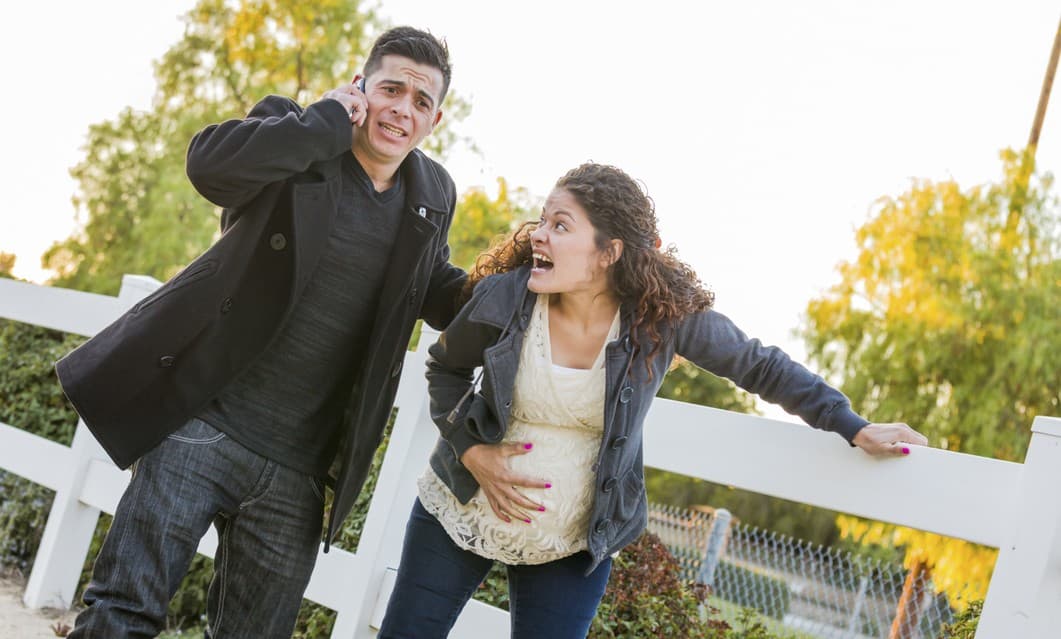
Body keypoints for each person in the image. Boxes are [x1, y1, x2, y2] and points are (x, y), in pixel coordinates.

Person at [377, 162, 929, 638]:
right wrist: (472, 450)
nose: (539, 235)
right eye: (543, 220)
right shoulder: (505, 297)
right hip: (461, 510)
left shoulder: (659, 320)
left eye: (560, 225)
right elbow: (445, 369)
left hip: (575, 540)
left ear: (609, 252)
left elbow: (759, 364)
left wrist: (850, 423)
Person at [55, 26, 466, 638]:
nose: (403, 108)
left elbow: (434, 287)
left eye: (421, 100)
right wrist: (325, 122)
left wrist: (523, 288)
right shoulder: (297, 132)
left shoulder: (433, 193)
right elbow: (210, 167)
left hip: (299, 471)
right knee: (122, 613)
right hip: (201, 425)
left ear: (434, 119)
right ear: (361, 86)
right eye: (391, 89)